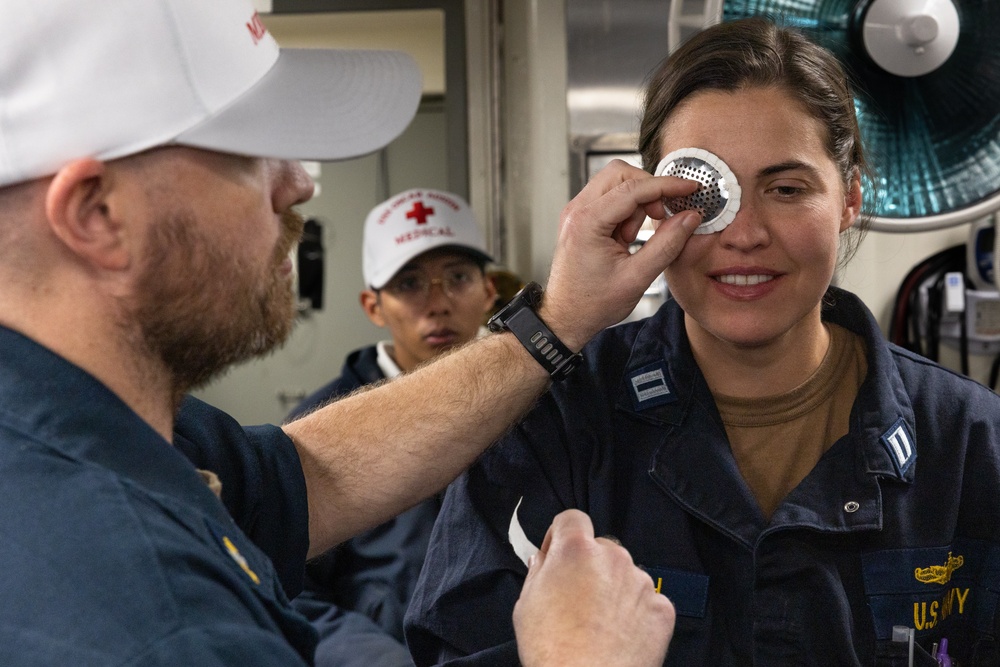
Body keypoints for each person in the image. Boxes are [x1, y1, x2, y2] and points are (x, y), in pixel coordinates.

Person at [0, 0, 702, 665]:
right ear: (96, 215)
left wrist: (555, 323)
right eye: (250, 152)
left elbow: (306, 477)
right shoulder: (157, 621)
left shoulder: (90, 427)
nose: (299, 183)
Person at [404, 16, 1000, 667]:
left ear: (851, 198)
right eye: (707, 194)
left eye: (787, 188)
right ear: (650, 201)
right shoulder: (549, 428)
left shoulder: (970, 440)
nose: (744, 234)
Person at [288, 189, 497, 667]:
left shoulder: (546, 403)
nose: (438, 303)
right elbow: (288, 588)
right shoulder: (318, 433)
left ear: (489, 291)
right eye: (409, 284)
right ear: (373, 306)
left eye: (458, 278)